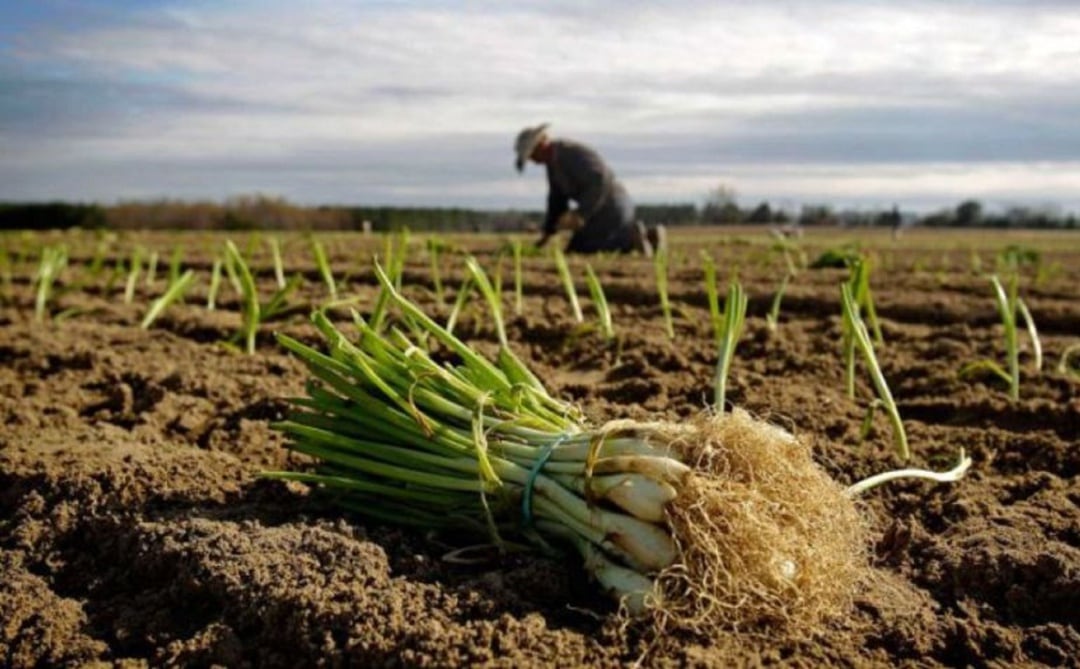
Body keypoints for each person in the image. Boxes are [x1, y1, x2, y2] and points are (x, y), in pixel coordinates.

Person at [514, 123, 664, 255]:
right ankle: (646, 237)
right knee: (576, 248)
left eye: (532, 155)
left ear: (541, 145)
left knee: (586, 249)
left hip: (613, 205)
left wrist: (581, 214)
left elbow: (600, 180)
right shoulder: (553, 166)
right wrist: (547, 234)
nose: (532, 161)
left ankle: (630, 240)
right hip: (599, 211)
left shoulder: (570, 153)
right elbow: (557, 202)